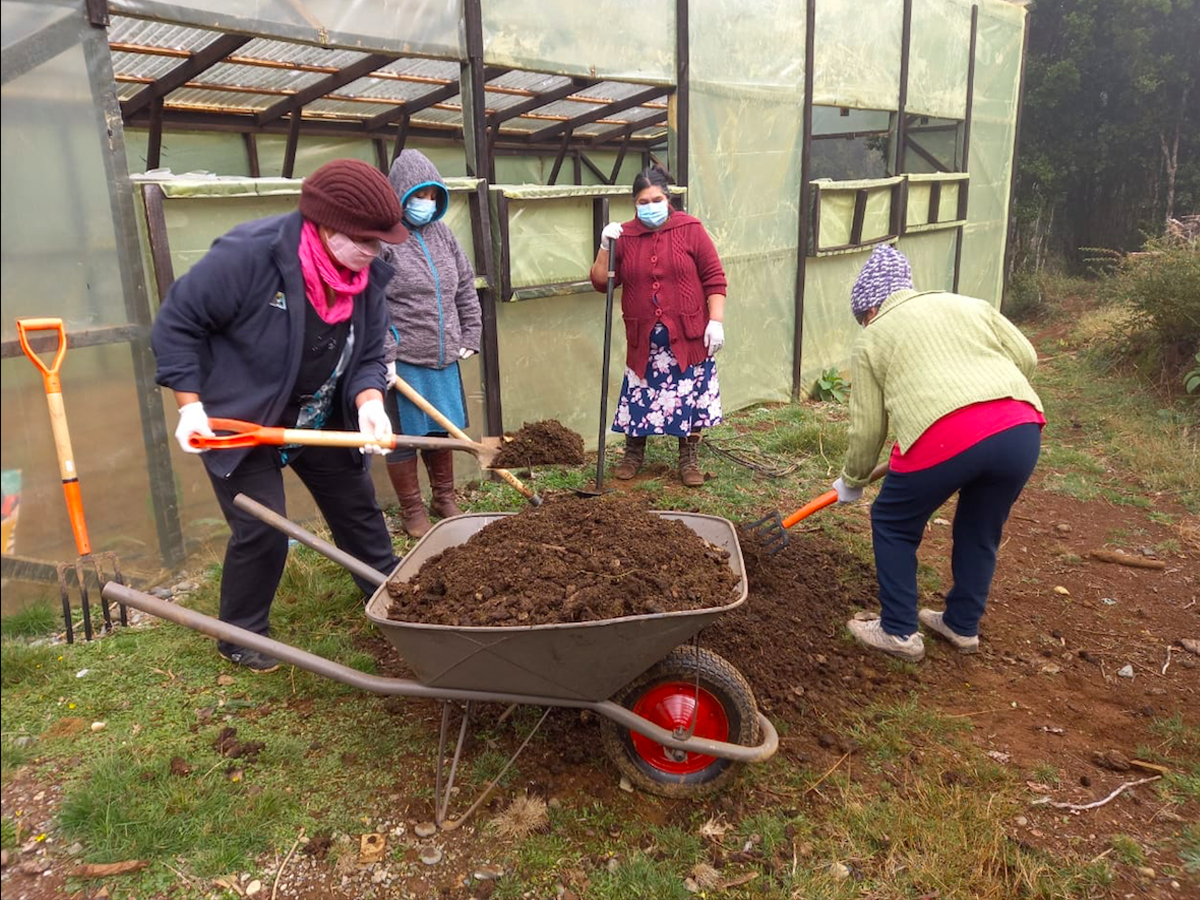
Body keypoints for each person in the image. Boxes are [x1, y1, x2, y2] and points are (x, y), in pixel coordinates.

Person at [151, 158, 406, 673]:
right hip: (246, 416)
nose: (374, 251)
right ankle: (241, 634)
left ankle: (394, 596)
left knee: (357, 507)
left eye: (382, 242)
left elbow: (369, 353)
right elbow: (178, 323)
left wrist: (369, 403)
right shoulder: (250, 256)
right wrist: (190, 406)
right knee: (262, 526)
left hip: (319, 410)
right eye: (366, 240)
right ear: (327, 226)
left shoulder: (366, 275)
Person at [832, 244, 1044, 662]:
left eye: (861, 319)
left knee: (892, 521)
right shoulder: (969, 305)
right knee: (980, 527)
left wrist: (852, 480)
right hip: (1020, 429)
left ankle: (897, 631)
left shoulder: (873, 336)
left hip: (944, 438)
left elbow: (868, 426)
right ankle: (962, 625)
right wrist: (989, 390)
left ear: (870, 309)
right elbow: (1027, 358)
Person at [589, 165, 727, 487]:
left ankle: (688, 458)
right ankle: (633, 454)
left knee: (689, 395)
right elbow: (601, 282)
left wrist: (715, 321)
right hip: (645, 339)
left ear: (668, 198)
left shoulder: (690, 229)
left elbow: (714, 277)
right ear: (634, 204)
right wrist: (605, 246)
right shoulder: (625, 236)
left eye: (656, 199)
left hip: (688, 336)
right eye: (643, 202)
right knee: (639, 396)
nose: (650, 206)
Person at [381, 150, 482, 538]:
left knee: (441, 431)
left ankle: (444, 497)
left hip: (443, 358)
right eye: (417, 195)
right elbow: (373, 302)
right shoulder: (385, 239)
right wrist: (385, 353)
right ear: (400, 194)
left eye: (432, 195)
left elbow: (465, 287)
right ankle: (412, 509)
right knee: (404, 438)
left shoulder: (443, 235)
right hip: (404, 360)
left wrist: (470, 333)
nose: (426, 203)